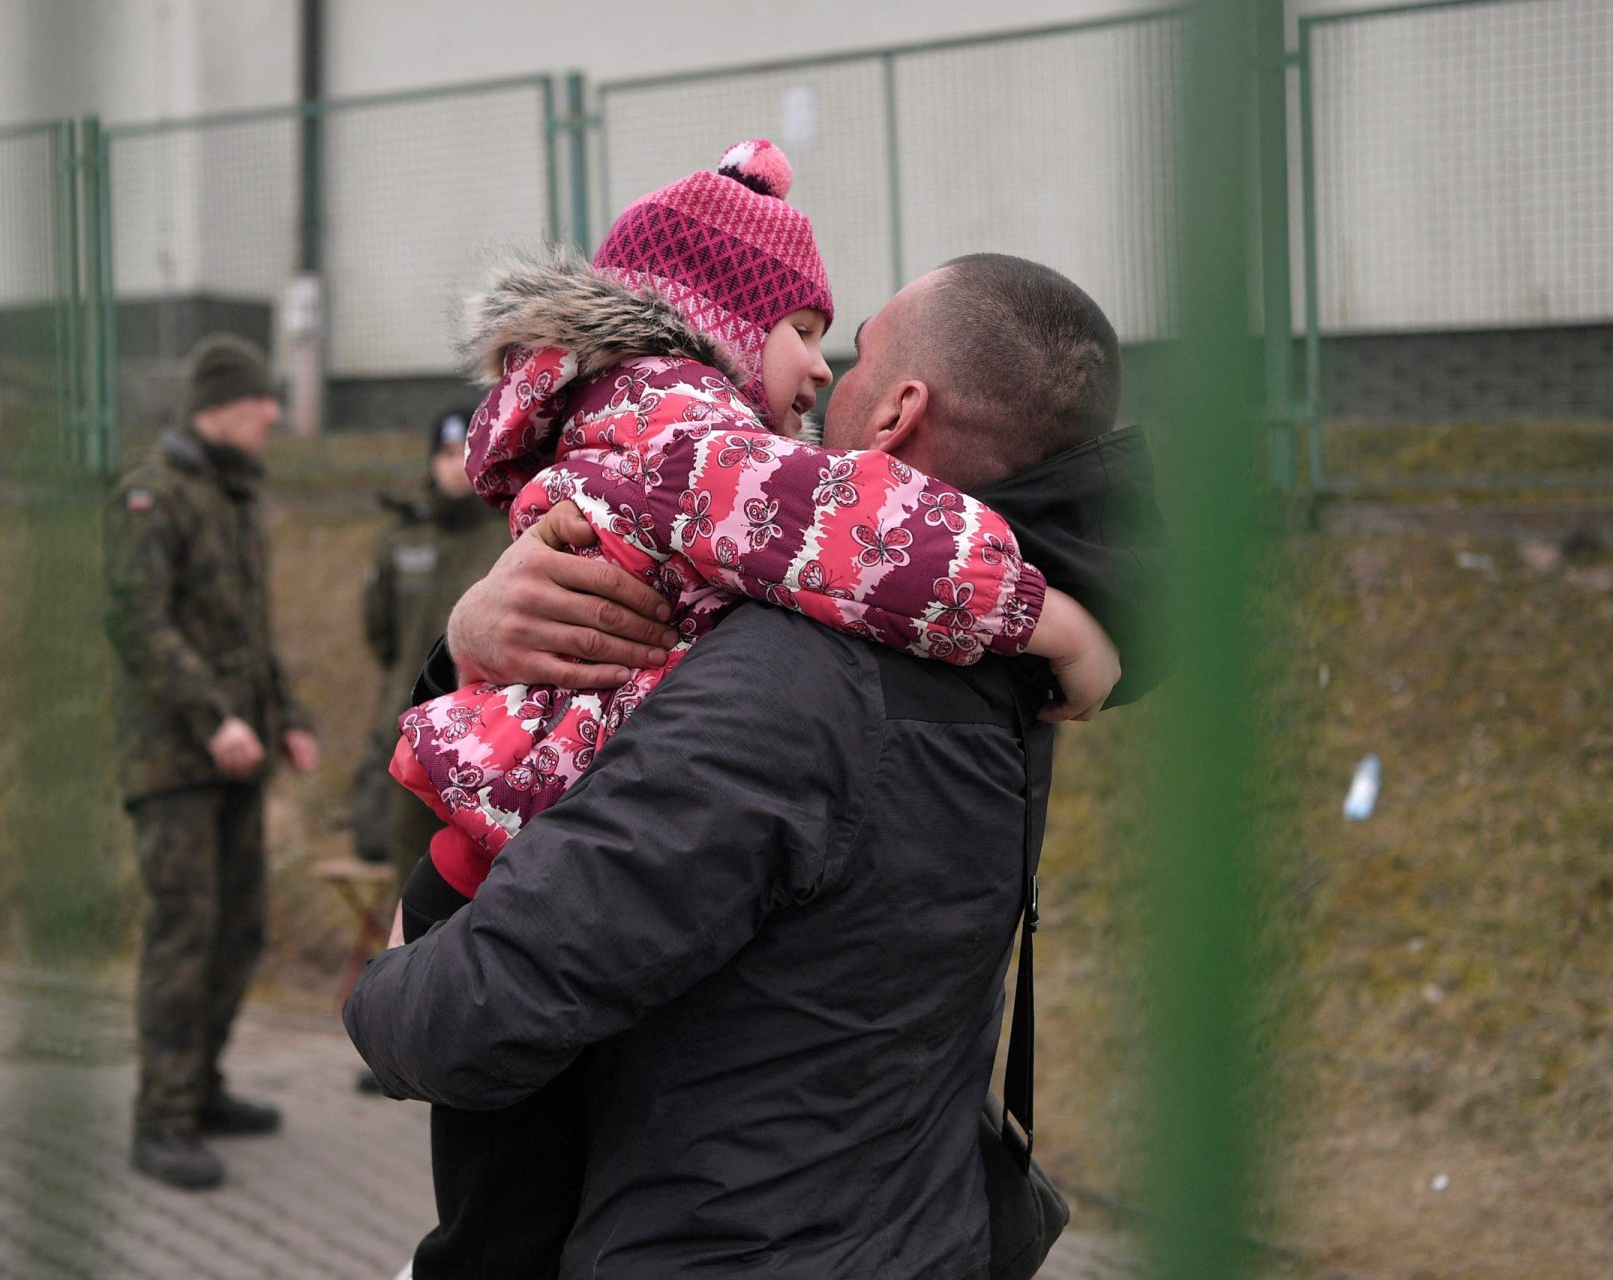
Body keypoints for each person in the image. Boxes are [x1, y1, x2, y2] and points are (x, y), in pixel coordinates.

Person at [347, 251, 1163, 1278]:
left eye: (854, 349)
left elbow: (487, 1006)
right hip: (911, 1228)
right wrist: (473, 640)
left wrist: (379, 993)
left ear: (900, 410)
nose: (826, 377)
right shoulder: (1013, 658)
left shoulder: (796, 681)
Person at [390, 139, 1111, 912]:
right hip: (537, 839)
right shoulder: (688, 444)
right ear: (720, 320)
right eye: (801, 331)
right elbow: (853, 525)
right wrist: (1051, 621)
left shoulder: (639, 427)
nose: (823, 366)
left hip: (523, 819)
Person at [106, 334, 319, 1192]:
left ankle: (202, 1085)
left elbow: (250, 633)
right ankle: (159, 1119)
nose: (274, 413)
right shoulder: (150, 498)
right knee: (184, 934)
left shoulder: (233, 497)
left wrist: (288, 715)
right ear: (224, 405)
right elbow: (138, 627)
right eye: (262, 399)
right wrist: (213, 717)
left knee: (241, 928)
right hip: (177, 760)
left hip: (242, 750)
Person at [354, 406, 502, 886]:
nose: (453, 464)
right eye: (442, 453)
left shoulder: (510, 532)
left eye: (463, 451)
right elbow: (380, 634)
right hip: (409, 735)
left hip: (487, 738)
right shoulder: (401, 539)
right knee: (411, 875)